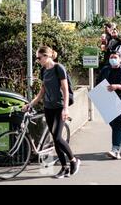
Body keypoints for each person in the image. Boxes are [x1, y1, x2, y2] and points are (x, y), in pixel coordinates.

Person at [22, 46, 80, 178]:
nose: (38, 60)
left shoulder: (59, 68)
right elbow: (42, 91)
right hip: (49, 107)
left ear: (47, 56)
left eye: (39, 57)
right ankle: (64, 168)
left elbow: (65, 89)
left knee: (58, 137)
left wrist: (66, 108)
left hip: (60, 106)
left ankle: (74, 160)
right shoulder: (43, 70)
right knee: (55, 138)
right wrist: (31, 104)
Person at [96, 51, 121, 159]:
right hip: (107, 99)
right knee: (113, 124)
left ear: (120, 59)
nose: (113, 59)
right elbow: (98, 81)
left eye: (115, 57)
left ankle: (115, 149)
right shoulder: (105, 70)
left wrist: (117, 86)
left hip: (120, 99)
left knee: (116, 124)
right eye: (111, 57)